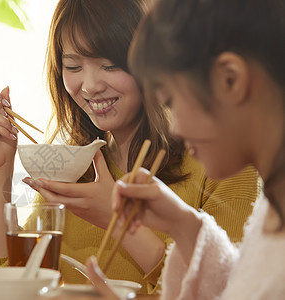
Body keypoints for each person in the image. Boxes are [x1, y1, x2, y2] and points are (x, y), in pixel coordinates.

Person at [0, 0, 258, 294]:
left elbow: (231, 289)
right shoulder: (71, 166)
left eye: (109, 64)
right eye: (73, 66)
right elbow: (9, 285)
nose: (90, 85)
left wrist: (119, 222)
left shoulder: (224, 163)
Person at [60, 0, 285, 299]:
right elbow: (239, 287)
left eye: (172, 101)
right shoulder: (272, 207)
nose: (175, 127)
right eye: (73, 66)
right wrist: (184, 225)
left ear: (230, 79)